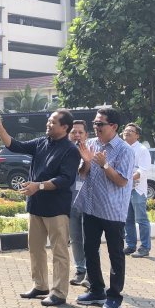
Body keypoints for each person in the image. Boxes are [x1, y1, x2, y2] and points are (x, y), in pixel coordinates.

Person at [0, 109, 80, 307]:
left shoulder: (70, 150)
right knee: (36, 248)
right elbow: (15, 145)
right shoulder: (41, 142)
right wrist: (0, 128)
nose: (48, 124)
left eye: (53, 122)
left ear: (65, 127)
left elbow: (66, 180)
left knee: (59, 252)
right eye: (48, 121)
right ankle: (40, 285)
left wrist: (38, 186)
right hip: (36, 205)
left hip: (57, 209)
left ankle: (59, 292)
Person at [73, 108, 135, 308]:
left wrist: (105, 164)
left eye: (100, 124)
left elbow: (122, 181)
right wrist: (88, 161)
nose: (96, 127)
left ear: (113, 127)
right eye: (95, 123)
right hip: (91, 208)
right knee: (90, 250)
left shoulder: (125, 150)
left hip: (112, 211)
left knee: (115, 253)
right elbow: (82, 174)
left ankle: (115, 296)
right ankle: (97, 291)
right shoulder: (90, 144)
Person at [122, 123, 152, 258]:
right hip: (124, 189)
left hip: (137, 189)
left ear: (137, 135)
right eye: (126, 130)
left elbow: (143, 170)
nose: (127, 132)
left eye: (131, 131)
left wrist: (128, 180)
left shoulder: (141, 150)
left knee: (141, 219)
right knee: (127, 219)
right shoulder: (122, 148)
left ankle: (145, 247)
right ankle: (131, 245)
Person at [68, 120, 89, 287]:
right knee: (75, 238)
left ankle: (91, 272)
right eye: (74, 132)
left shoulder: (92, 150)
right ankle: (80, 269)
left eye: (80, 132)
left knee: (89, 239)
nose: (77, 135)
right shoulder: (66, 152)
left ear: (86, 135)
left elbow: (85, 173)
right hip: (70, 201)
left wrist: (87, 160)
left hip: (88, 202)